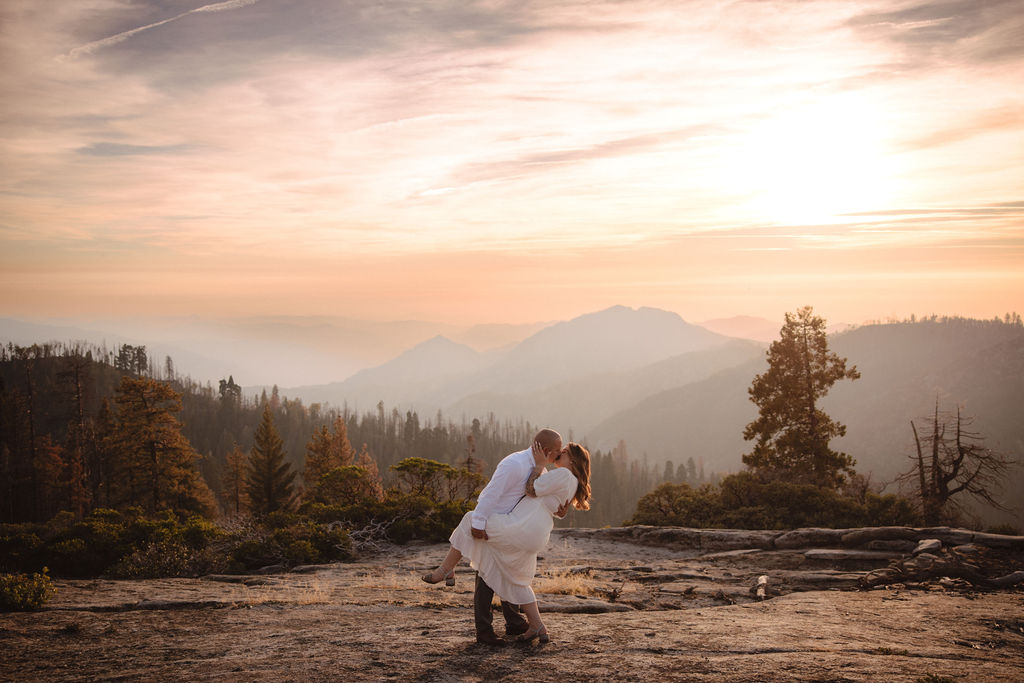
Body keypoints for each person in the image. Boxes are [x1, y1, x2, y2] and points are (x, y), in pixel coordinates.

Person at [423, 435, 592, 646]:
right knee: (516, 577)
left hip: (521, 527)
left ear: (573, 461)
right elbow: (555, 508)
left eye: (564, 452)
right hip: (533, 532)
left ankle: (446, 569)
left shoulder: (561, 475)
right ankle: (536, 625)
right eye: (559, 450)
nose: (560, 454)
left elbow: (532, 489)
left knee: (471, 519)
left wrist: (539, 465)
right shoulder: (551, 474)